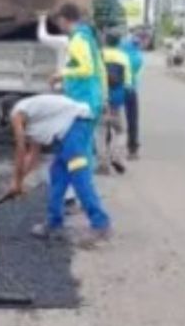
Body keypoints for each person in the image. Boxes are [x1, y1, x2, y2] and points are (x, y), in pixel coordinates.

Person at [8, 93, 111, 246]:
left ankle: (100, 224)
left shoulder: (17, 112)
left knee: (78, 174)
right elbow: (33, 156)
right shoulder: (34, 119)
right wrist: (20, 181)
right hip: (67, 130)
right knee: (57, 174)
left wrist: (16, 181)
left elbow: (21, 148)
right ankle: (54, 222)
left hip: (76, 124)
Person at [45, 3, 107, 153]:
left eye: (59, 20)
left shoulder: (78, 40)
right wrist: (105, 97)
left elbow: (87, 69)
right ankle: (81, 175)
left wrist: (62, 74)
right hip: (90, 99)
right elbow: (99, 69)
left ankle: (81, 176)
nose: (59, 24)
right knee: (83, 146)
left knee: (79, 149)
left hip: (83, 100)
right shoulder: (87, 37)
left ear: (65, 19)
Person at [99, 32, 131, 176]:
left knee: (101, 132)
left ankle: (103, 164)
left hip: (100, 99)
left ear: (105, 41)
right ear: (118, 43)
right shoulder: (124, 57)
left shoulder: (99, 55)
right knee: (120, 131)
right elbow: (128, 83)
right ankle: (116, 156)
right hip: (116, 101)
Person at [120, 31, 144, 160]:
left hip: (115, 89)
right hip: (131, 89)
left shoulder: (119, 50)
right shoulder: (138, 57)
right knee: (132, 120)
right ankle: (132, 149)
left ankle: (106, 149)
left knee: (110, 119)